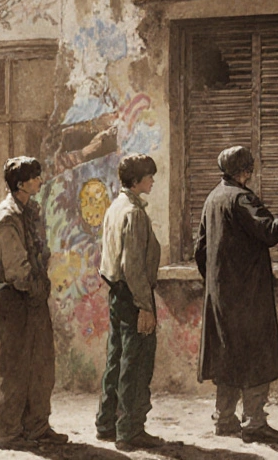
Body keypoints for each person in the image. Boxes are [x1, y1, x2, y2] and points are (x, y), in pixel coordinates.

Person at [194, 146, 278, 444]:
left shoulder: (212, 198)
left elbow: (200, 250)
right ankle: (255, 423)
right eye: (249, 168)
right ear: (245, 171)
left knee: (227, 355)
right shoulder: (241, 198)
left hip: (221, 295)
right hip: (247, 295)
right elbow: (269, 232)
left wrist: (217, 283)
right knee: (256, 356)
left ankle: (224, 419)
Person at [0, 156, 67, 450]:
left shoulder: (30, 211)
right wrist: (36, 287)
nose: (40, 180)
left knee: (42, 363)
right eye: (34, 177)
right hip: (14, 298)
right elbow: (17, 269)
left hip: (33, 296)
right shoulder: (6, 217)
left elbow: (40, 253)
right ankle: (7, 432)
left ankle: (37, 426)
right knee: (14, 367)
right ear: (20, 183)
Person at [95, 154, 167, 450]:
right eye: (149, 176)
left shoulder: (116, 207)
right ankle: (129, 430)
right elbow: (133, 266)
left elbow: (110, 262)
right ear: (136, 181)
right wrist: (145, 306)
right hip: (134, 294)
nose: (152, 181)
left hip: (118, 293)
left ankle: (106, 424)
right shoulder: (134, 213)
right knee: (135, 364)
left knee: (116, 359)